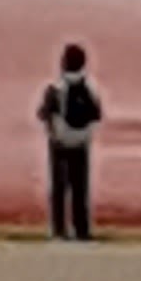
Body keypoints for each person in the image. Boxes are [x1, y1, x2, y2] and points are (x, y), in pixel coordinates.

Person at [41, 44, 103, 238]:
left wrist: (54, 132)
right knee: (80, 188)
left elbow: (44, 114)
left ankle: (59, 229)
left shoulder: (55, 88)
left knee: (59, 187)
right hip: (81, 144)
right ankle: (81, 229)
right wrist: (85, 135)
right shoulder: (90, 88)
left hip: (59, 144)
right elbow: (96, 115)